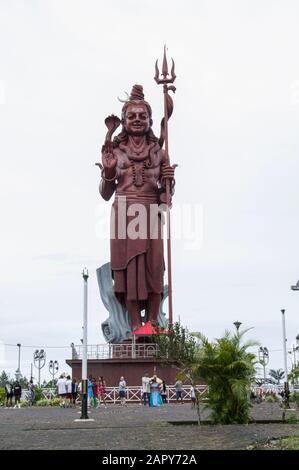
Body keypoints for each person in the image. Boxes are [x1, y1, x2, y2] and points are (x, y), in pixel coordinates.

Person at [98, 84, 176, 332]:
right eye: (131, 116)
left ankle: (152, 323)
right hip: (124, 211)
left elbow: (165, 200)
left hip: (150, 211)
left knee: (154, 268)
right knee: (130, 270)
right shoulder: (116, 151)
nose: (137, 120)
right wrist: (109, 172)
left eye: (143, 116)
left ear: (151, 120)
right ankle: (134, 325)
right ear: (123, 121)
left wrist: (168, 183)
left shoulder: (160, 152)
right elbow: (105, 193)